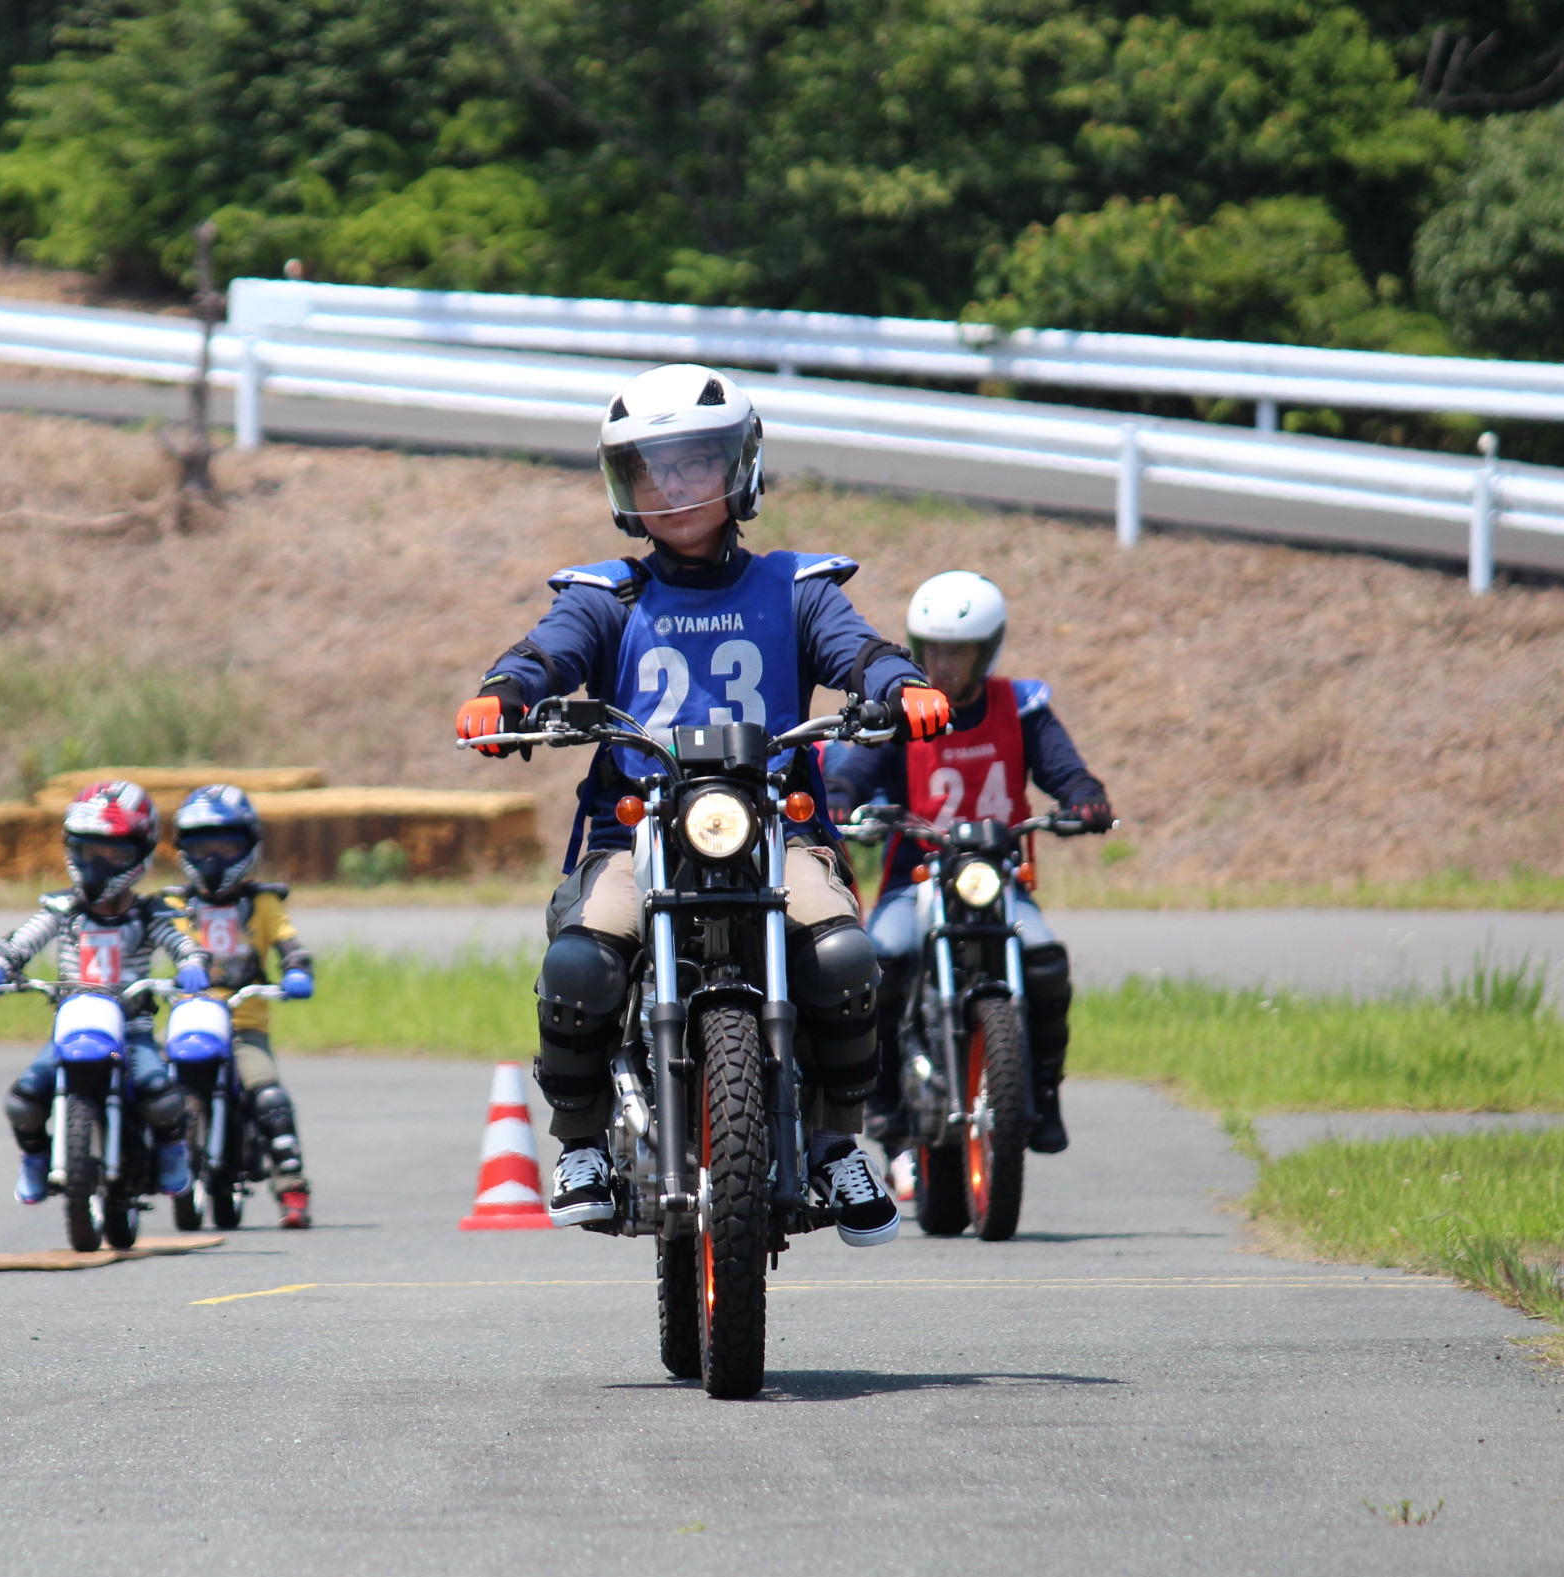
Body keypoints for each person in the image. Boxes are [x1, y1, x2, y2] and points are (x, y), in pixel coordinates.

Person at [453, 363, 950, 1245]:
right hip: (633, 833)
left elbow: (857, 648)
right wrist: (505, 691)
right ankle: (579, 1145)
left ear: (742, 468)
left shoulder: (798, 587)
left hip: (774, 829)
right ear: (625, 487)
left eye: (694, 463)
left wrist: (900, 682)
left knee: (842, 956)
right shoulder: (607, 597)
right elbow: (546, 654)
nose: (674, 486)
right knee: (581, 965)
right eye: (652, 469)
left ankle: (839, 1142)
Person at [822, 570, 1113, 1170]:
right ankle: (882, 1102)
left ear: (988, 651)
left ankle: (1044, 1091)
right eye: (932, 649)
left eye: (958, 651)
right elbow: (856, 770)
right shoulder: (903, 710)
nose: (943, 663)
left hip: (999, 880)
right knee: (881, 958)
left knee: (1046, 959)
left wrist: (1084, 797)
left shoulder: (1022, 707)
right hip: (917, 879)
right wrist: (843, 796)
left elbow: (1065, 770)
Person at [0, 781, 211, 1205]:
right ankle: (34, 1157)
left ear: (139, 855)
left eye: (113, 854)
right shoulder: (62, 910)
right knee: (24, 1098)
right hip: (72, 1025)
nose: (98, 865)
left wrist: (192, 967)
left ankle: (173, 1151)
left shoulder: (149, 913)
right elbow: (22, 940)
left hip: (132, 1027)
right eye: (87, 852)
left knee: (161, 1093)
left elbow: (184, 945)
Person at [161, 784, 318, 1228]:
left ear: (247, 846)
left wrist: (296, 971)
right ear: (183, 849)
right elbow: (141, 944)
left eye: (226, 846)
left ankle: (291, 1186)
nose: (214, 858)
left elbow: (290, 945)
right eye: (201, 846)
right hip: (186, 1021)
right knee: (155, 1089)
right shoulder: (172, 905)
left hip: (243, 1025)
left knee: (267, 1094)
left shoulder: (262, 903)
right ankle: (139, 1171)